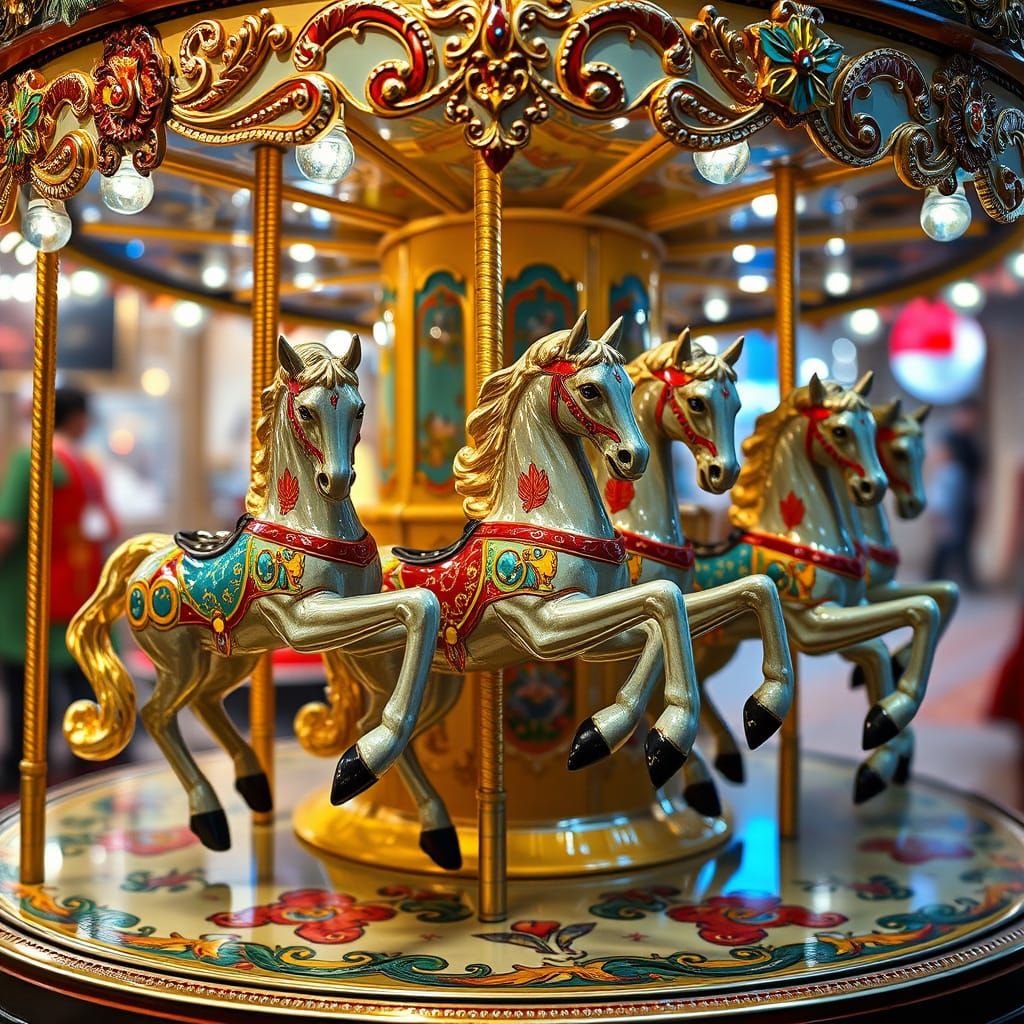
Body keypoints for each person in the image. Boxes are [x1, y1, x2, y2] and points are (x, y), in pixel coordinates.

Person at [0, 386, 118, 792]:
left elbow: (7, 529)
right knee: (77, 683)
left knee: (27, 691)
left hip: (30, 594)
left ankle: (25, 770)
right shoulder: (85, 465)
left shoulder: (31, 458)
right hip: (78, 588)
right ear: (77, 418)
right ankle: (90, 762)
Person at [927, 400, 984, 589]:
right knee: (946, 540)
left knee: (964, 542)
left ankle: (965, 578)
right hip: (951, 496)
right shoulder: (949, 438)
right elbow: (941, 473)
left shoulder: (972, 441)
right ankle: (935, 578)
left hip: (967, 497)